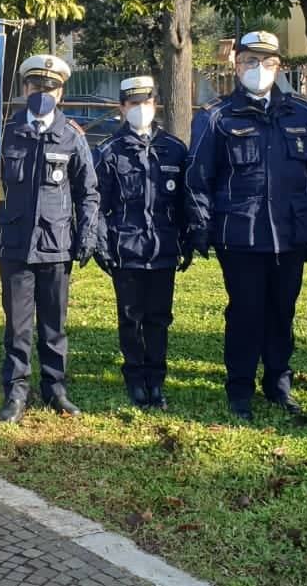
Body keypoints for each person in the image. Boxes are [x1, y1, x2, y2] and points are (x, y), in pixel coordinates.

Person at [186, 31, 307, 423]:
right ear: (236, 67)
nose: (258, 70)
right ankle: (240, 388)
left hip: (291, 233)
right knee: (245, 312)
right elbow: (198, 177)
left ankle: (278, 383)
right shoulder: (216, 116)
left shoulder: (304, 115)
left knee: (282, 312)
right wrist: (201, 227)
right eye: (250, 62)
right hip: (240, 235)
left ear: (278, 67)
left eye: (266, 62)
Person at [0, 54, 101, 424]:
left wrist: (87, 234)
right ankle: (16, 392)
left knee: (54, 327)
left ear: (62, 92)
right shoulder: (6, 133)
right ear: (25, 89)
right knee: (18, 327)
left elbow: (88, 191)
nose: (43, 92)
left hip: (56, 245)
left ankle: (55, 390)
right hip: (16, 245)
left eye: (50, 87)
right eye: (36, 86)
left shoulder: (72, 136)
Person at [93, 75, 194, 409]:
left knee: (159, 318)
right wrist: (101, 244)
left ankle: (157, 380)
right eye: (134, 104)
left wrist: (189, 240)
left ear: (155, 104)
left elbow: (185, 203)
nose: (141, 110)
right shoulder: (109, 151)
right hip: (127, 250)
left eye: (146, 103)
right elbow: (98, 205)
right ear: (122, 108)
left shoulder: (175, 149)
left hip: (163, 250)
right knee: (131, 317)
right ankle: (135, 377)